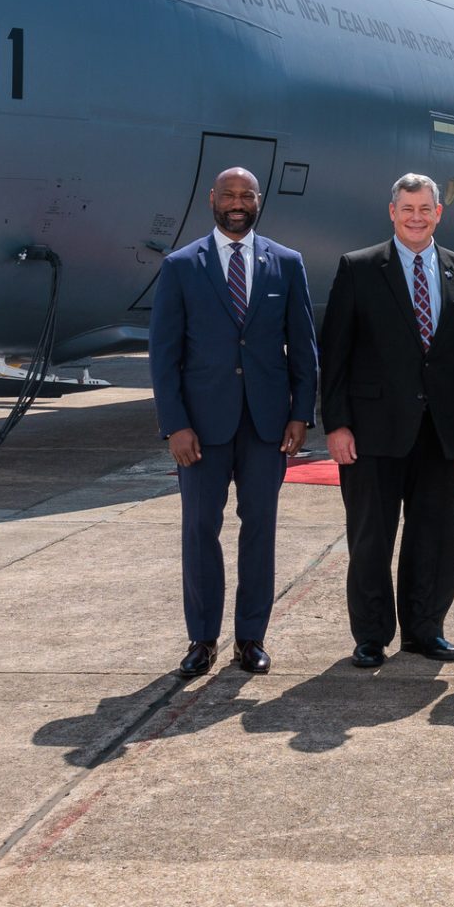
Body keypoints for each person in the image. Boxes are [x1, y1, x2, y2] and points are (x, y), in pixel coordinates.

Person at [149, 167, 319, 680]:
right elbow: (164, 354)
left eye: (247, 195)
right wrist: (174, 424)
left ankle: (252, 638)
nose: (238, 203)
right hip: (200, 429)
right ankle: (202, 639)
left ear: (259, 200)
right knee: (200, 530)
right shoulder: (180, 266)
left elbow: (303, 347)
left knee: (259, 529)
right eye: (229, 195)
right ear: (212, 200)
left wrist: (300, 413)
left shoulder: (286, 264)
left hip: (267, 427)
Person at [318, 173, 454, 668]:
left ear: (440, 214)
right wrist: (336, 423)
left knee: (433, 534)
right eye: (407, 208)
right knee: (371, 536)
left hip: (441, 430)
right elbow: (335, 355)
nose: (417, 217)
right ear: (392, 212)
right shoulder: (359, 268)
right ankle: (371, 635)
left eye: (425, 208)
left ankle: (424, 629)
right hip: (371, 431)